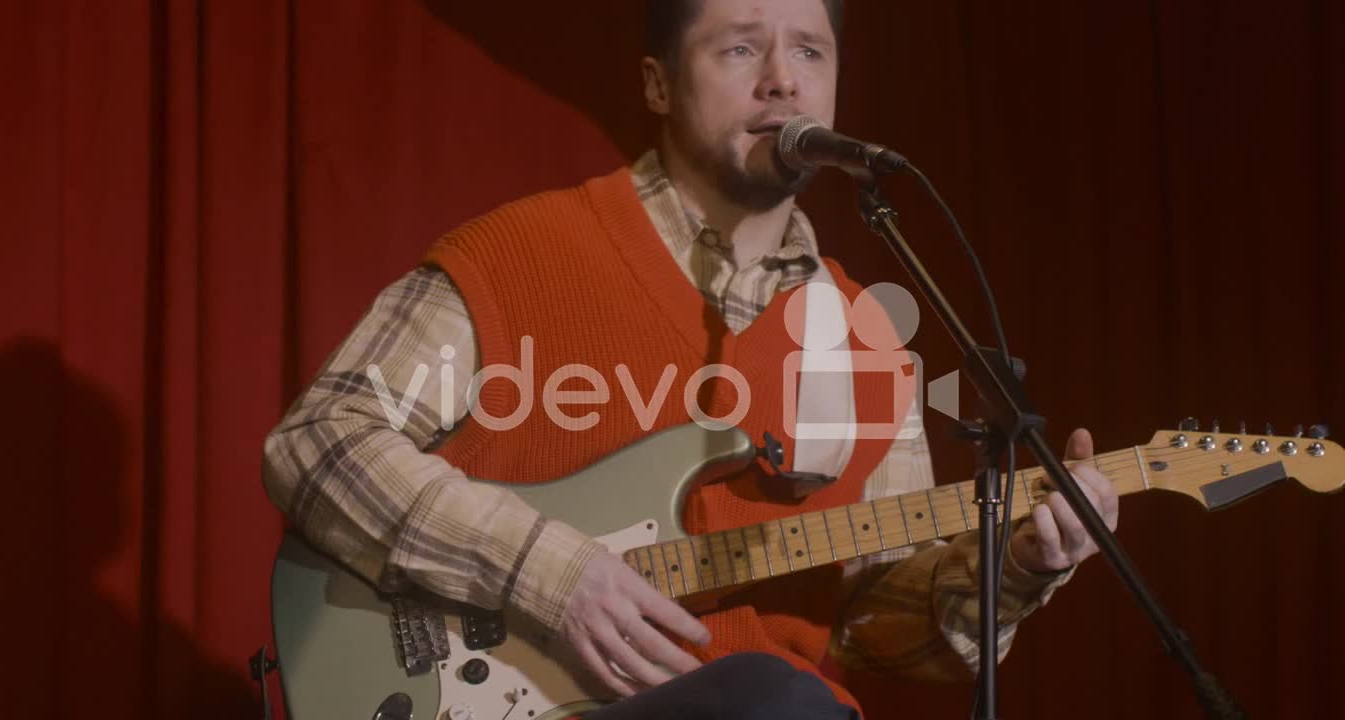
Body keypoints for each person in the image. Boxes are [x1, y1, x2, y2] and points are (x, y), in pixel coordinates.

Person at [262, 0, 1120, 717]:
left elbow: (873, 623)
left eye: (810, 51)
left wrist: (1019, 568)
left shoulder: (871, 342)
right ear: (658, 83)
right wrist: (546, 573)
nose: (783, 78)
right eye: (742, 46)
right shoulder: (521, 251)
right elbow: (321, 440)